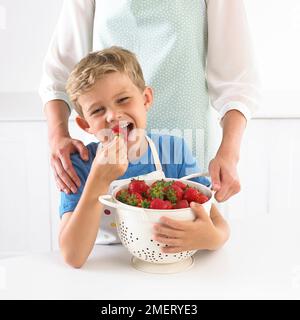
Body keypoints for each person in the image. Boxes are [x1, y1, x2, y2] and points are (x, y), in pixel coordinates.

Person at [39, 0, 260, 202]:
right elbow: (60, 74)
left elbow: (237, 81)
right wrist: (58, 136)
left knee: (187, 231)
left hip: (185, 145)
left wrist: (230, 153)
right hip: (110, 151)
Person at [59, 46, 230, 268]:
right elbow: (73, 256)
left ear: (146, 99)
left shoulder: (173, 151)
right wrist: (98, 180)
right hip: (106, 269)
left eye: (122, 99)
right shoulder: (78, 165)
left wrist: (212, 238)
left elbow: (218, 224)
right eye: (98, 111)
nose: (113, 115)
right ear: (85, 125)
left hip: (164, 264)